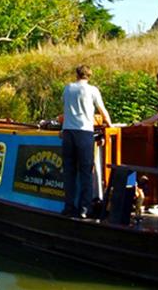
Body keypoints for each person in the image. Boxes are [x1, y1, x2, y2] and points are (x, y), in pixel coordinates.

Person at [61, 65, 112, 219]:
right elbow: (102, 110)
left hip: (68, 133)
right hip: (84, 133)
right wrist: (109, 124)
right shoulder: (92, 90)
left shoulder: (68, 88)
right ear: (89, 76)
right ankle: (84, 209)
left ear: (77, 74)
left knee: (69, 172)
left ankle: (69, 207)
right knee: (86, 172)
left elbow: (65, 108)